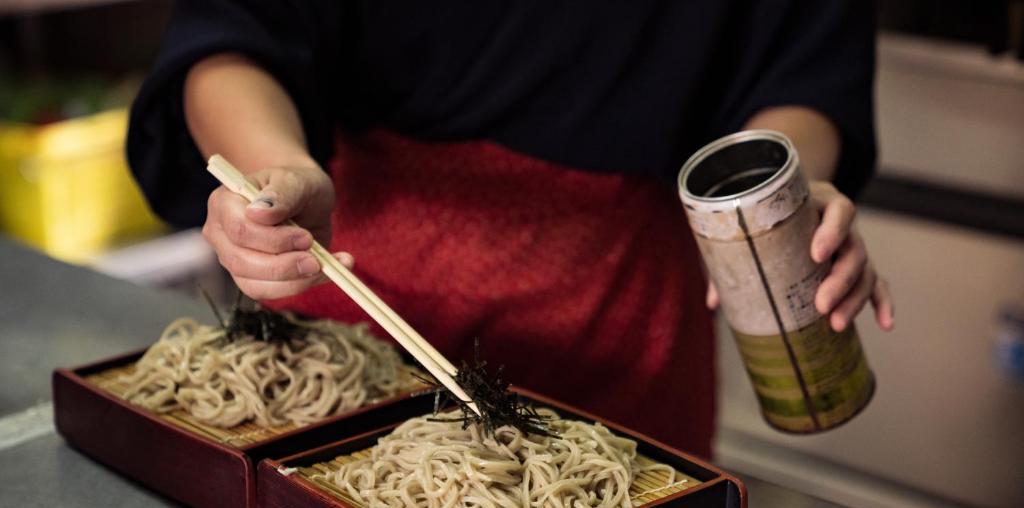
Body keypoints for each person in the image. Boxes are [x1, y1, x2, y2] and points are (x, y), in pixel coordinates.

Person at [128, 0, 894, 459]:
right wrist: (273, 172)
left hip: (618, 328)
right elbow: (233, 31)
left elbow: (801, 62)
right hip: (348, 317)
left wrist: (785, 192)